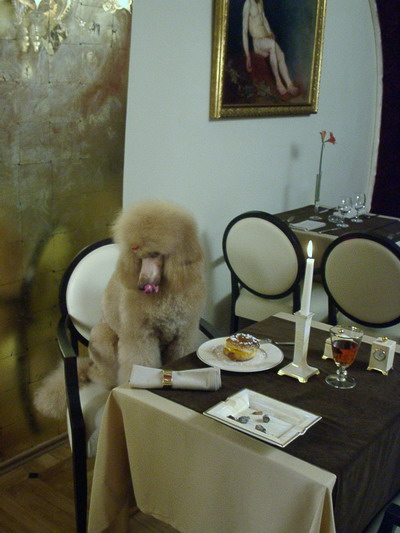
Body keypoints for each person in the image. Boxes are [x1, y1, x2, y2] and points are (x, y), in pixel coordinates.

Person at [242, 0, 299, 96]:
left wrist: (269, 32)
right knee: (272, 45)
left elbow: (263, 18)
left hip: (265, 39)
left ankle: (289, 85)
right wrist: (247, 56)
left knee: (281, 54)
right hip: (257, 42)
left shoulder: (260, 2)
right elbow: (244, 32)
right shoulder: (248, 4)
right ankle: (278, 82)